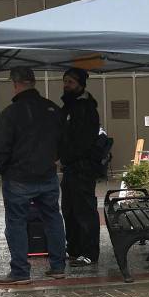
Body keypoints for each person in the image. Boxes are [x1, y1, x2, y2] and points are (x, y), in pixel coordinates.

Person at [0, 67, 67, 286]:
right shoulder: (52, 109)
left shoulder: (10, 113)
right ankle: (58, 267)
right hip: (47, 174)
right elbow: (64, 140)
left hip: (18, 177)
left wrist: (4, 169)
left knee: (16, 222)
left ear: (15, 84)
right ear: (33, 82)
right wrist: (54, 158)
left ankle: (21, 272)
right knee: (53, 218)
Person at [60, 67, 101, 267]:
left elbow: (83, 141)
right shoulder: (69, 106)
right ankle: (74, 248)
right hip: (70, 168)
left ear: (80, 85)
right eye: (65, 81)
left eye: (71, 82)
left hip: (82, 168)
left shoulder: (85, 108)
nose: (66, 85)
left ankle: (89, 252)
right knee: (69, 209)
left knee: (85, 211)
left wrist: (66, 156)